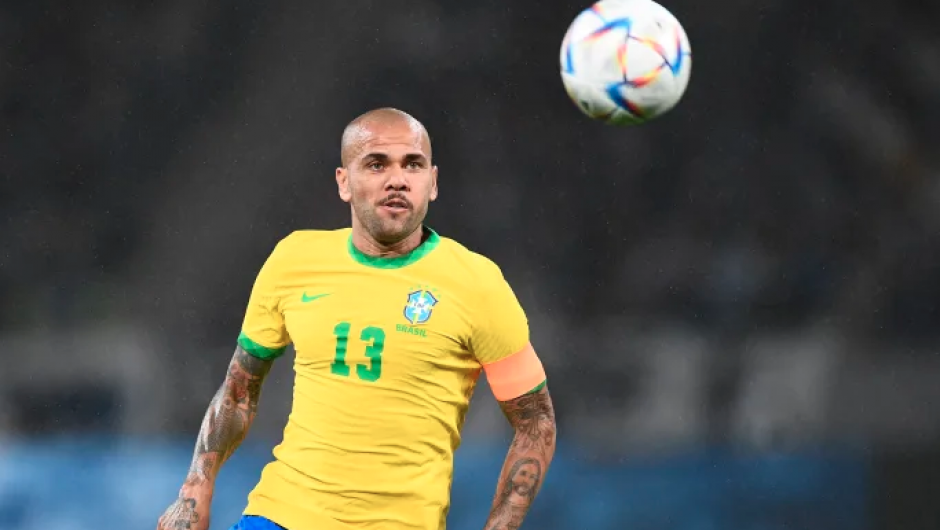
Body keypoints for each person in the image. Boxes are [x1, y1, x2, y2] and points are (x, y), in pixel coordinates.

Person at [156, 108, 556, 530]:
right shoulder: (293, 260)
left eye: (413, 165)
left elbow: (536, 421)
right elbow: (239, 392)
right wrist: (193, 493)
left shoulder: (477, 283)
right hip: (279, 515)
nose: (397, 179)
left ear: (433, 182)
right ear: (344, 182)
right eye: (377, 164)